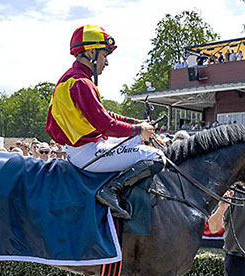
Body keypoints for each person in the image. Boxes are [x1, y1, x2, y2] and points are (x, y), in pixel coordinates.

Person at [46, 25, 163, 220]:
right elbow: (105, 125)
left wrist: (137, 124)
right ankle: (111, 190)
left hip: (84, 149)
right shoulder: (81, 82)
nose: (106, 62)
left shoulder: (75, 79)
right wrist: (137, 130)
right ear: (91, 52)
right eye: (105, 55)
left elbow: (104, 115)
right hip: (88, 152)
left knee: (135, 142)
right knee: (156, 156)